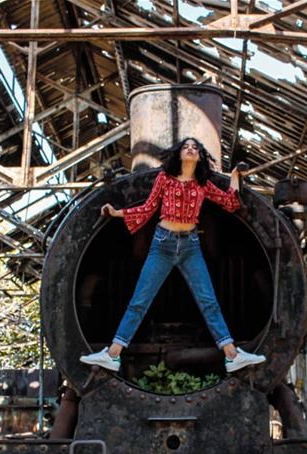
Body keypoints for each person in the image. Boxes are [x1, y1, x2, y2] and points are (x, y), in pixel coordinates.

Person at [80, 137, 266, 374]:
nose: (190, 149)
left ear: (199, 156)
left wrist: (234, 177)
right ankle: (112, 355)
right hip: (163, 244)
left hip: (190, 246)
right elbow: (147, 208)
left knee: (208, 301)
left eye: (195, 148)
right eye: (186, 147)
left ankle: (232, 356)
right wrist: (117, 213)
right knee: (140, 301)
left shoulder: (202, 184)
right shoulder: (164, 179)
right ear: (179, 153)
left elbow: (229, 202)